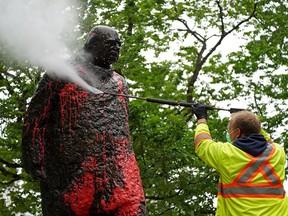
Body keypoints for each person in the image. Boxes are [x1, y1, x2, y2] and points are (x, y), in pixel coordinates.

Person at [22, 26, 146, 216]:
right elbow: (36, 116)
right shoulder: (62, 73)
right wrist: (34, 156)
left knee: (133, 208)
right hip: (72, 170)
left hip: (120, 168)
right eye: (111, 44)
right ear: (91, 45)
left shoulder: (120, 82)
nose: (116, 48)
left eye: (119, 45)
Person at [192, 102, 288, 215]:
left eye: (229, 131)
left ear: (237, 132)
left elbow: (202, 144)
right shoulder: (277, 152)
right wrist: (249, 119)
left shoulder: (226, 154)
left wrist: (201, 119)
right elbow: (267, 139)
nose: (229, 134)